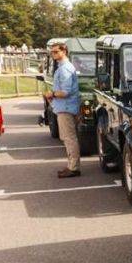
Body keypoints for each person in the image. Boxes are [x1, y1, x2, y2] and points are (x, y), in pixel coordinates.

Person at [44, 42, 81, 178]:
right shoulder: (64, 67)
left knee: (69, 138)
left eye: (55, 52)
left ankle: (73, 167)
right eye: (52, 52)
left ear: (63, 51)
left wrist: (51, 94)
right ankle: (72, 166)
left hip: (66, 108)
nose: (53, 54)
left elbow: (65, 92)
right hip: (65, 107)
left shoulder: (65, 69)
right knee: (68, 138)